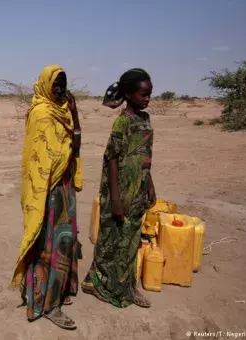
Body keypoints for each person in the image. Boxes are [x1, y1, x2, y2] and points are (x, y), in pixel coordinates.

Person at [11, 64, 83, 330]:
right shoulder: (40, 113)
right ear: (45, 84)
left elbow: (74, 146)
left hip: (63, 188)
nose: (61, 89)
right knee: (45, 244)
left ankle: (56, 292)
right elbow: (39, 159)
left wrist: (75, 114)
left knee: (64, 242)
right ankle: (43, 302)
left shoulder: (65, 112)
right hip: (46, 190)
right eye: (56, 83)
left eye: (64, 83)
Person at [81, 68, 156, 308]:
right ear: (129, 94)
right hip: (120, 190)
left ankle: (126, 286)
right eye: (143, 94)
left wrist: (150, 184)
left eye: (149, 94)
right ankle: (97, 283)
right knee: (111, 240)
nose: (147, 99)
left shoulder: (145, 120)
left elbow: (144, 156)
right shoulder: (123, 121)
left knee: (131, 241)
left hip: (138, 190)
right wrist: (114, 198)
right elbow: (112, 158)